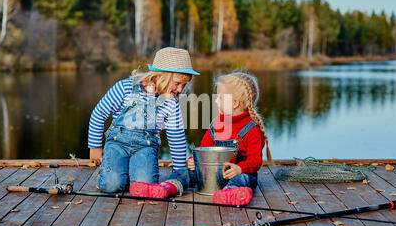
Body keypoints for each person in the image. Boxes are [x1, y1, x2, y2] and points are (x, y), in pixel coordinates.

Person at [130, 71, 273, 205]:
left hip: (235, 174)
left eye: (220, 98)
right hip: (210, 175)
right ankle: (167, 187)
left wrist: (239, 169)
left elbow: (255, 162)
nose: (216, 102)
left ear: (234, 103)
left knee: (244, 179)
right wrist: (194, 160)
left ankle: (231, 193)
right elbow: (203, 149)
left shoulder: (251, 129)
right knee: (186, 171)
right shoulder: (216, 125)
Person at [88, 47, 199, 193]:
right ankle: (115, 173)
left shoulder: (171, 102)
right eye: (177, 83)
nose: (179, 90)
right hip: (117, 144)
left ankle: (128, 173)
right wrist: (95, 147)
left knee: (146, 185)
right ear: (161, 75)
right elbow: (98, 114)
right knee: (111, 185)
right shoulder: (125, 88)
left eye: (184, 85)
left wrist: (179, 171)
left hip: (145, 148)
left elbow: (176, 135)